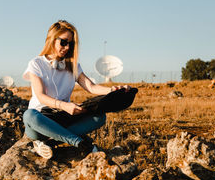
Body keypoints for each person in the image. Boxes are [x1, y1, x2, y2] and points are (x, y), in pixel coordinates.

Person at [22, 20, 132, 159]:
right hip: (41, 119)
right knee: (29, 115)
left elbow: (91, 87)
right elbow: (40, 96)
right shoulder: (36, 64)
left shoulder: (73, 66)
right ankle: (79, 143)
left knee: (100, 117)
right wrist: (65, 105)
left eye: (71, 44)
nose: (67, 47)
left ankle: (49, 142)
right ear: (51, 39)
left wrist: (114, 90)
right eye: (63, 42)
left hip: (62, 116)